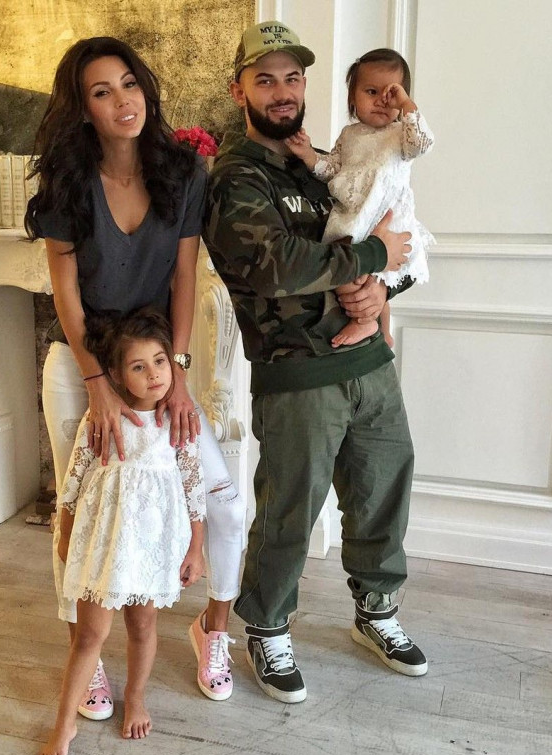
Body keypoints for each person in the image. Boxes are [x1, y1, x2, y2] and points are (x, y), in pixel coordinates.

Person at [202, 20, 429, 704]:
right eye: (265, 79)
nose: (282, 92)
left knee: (383, 489)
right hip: (298, 372)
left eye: (293, 78)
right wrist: (370, 258)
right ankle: (267, 626)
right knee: (289, 511)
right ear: (239, 90)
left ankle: (376, 610)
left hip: (369, 365)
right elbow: (275, 266)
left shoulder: (331, 160)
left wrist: (383, 289)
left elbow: (394, 230)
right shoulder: (236, 178)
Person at [25, 37, 245, 716]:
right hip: (82, 363)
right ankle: (86, 656)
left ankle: (213, 630)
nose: (123, 101)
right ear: (83, 109)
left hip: (154, 364)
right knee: (80, 511)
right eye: (101, 91)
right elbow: (64, 290)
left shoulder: (182, 171)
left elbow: (184, 275)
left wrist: (175, 371)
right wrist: (96, 380)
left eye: (129, 83)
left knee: (224, 500)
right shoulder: (67, 182)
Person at [40, 310, 206, 755]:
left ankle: (135, 697)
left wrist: (195, 547)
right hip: (105, 546)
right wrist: (67, 532)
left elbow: (194, 488)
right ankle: (64, 724)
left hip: (151, 545)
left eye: (160, 361)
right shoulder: (102, 418)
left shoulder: (178, 421)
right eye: (139, 366)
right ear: (115, 374)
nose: (154, 374)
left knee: (143, 626)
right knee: (90, 633)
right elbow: (73, 480)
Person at [285, 47, 434, 348]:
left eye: (391, 93)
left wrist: (406, 105)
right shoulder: (349, 135)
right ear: (353, 98)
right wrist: (308, 154)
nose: (382, 100)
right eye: (371, 91)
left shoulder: (401, 134)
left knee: (378, 277)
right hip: (354, 215)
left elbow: (422, 142)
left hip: (387, 219)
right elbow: (333, 169)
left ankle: (368, 324)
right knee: (351, 273)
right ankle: (380, 328)